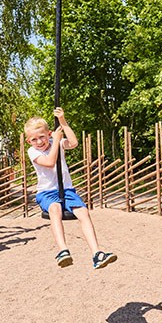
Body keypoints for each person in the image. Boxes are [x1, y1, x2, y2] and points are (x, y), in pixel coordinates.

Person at [25, 107, 117, 269]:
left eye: (42, 137)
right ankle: (63, 250)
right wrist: (57, 141)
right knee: (55, 210)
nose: (39, 142)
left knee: (83, 212)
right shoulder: (32, 151)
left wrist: (63, 122)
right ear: (29, 141)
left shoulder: (56, 142)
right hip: (46, 192)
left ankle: (97, 253)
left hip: (67, 190)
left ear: (49, 134)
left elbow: (74, 143)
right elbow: (50, 162)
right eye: (34, 139)